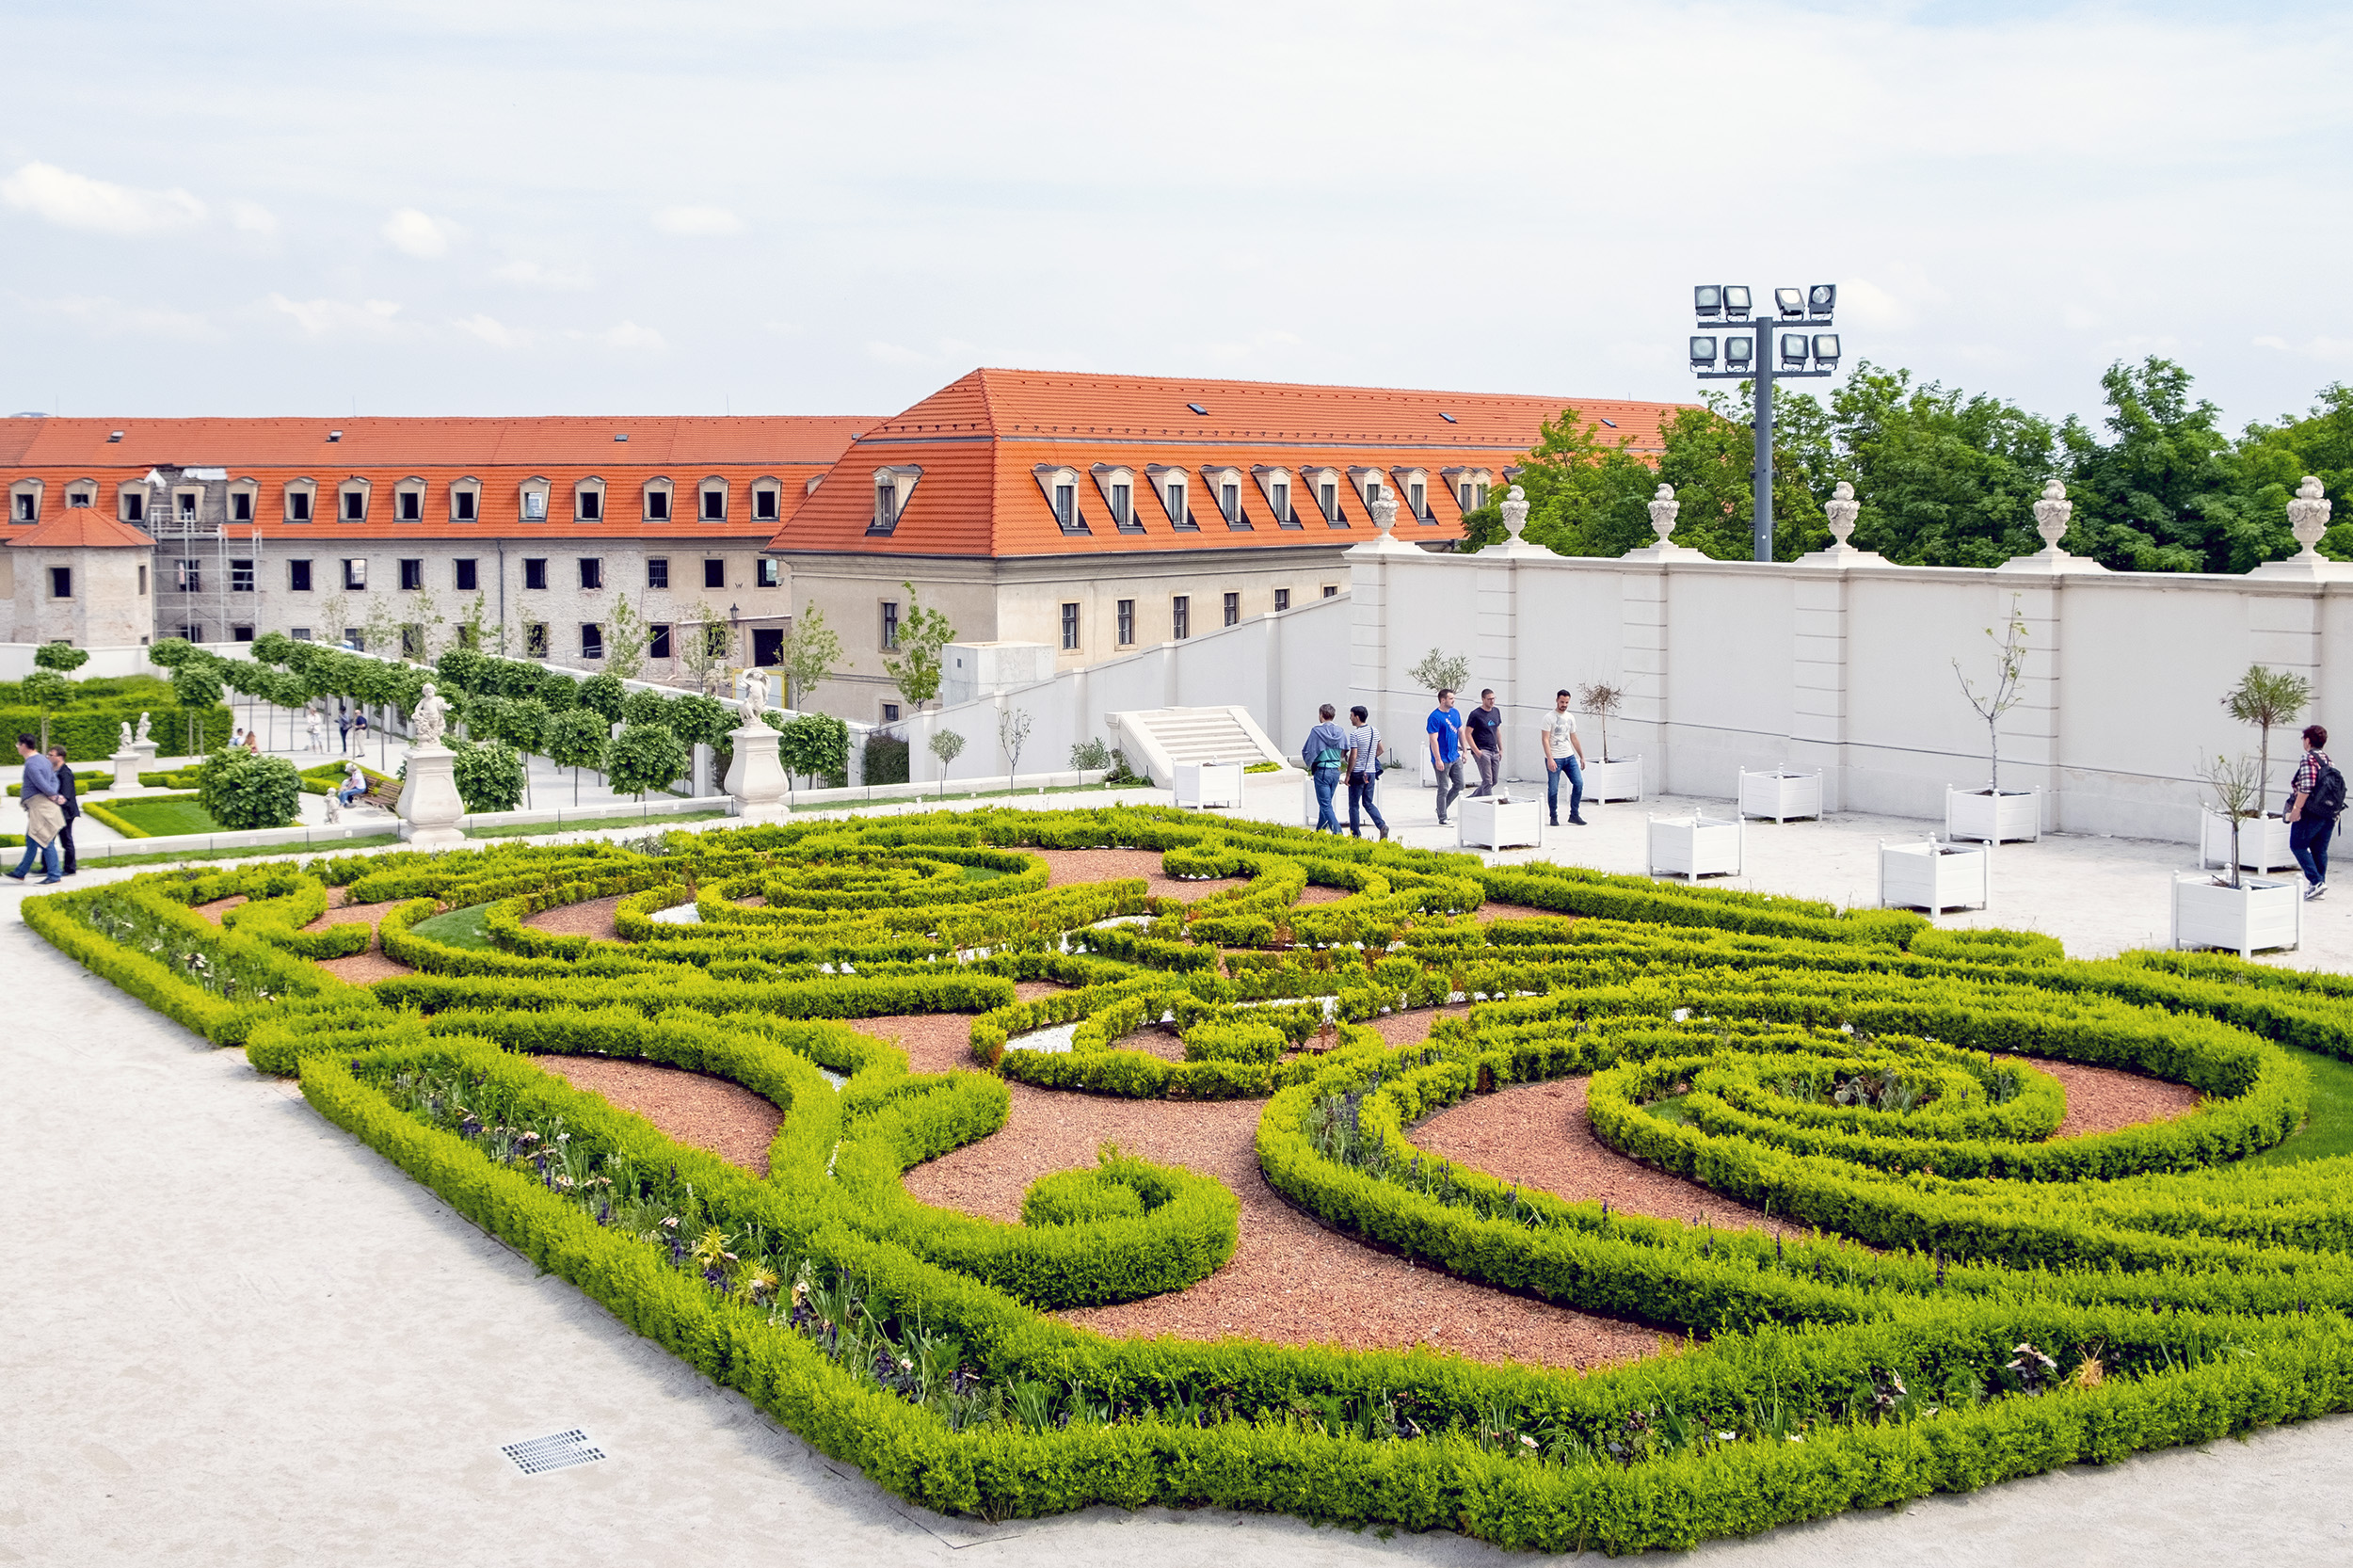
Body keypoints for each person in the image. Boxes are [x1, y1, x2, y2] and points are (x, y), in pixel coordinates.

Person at [2285, 723, 2339, 900]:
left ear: (2308, 740)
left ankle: (2316, 882)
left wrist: (2296, 809)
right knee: (2319, 850)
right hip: (2329, 813)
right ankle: (2319, 886)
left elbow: (2306, 788)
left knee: (2298, 845)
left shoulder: (2308, 758)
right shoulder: (2328, 760)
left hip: (2311, 812)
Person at [8, 734, 66, 884]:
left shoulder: (32, 764)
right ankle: (20, 872)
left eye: (18, 745)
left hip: (39, 805)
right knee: (32, 839)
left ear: (24, 746)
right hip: (42, 804)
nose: (17, 748)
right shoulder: (42, 759)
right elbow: (53, 780)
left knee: (44, 839)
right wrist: (54, 794)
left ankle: (54, 875)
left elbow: (40, 783)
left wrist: (53, 795)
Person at [1540, 688, 1589, 827]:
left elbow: (1574, 738)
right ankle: (1553, 816)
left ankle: (1574, 814)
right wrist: (1550, 758)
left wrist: (1582, 756)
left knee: (1579, 783)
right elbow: (1545, 739)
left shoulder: (1570, 717)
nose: (1564, 705)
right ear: (1557, 700)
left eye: (1567, 702)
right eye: (1562, 702)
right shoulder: (1548, 718)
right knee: (1553, 789)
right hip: (1555, 757)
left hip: (1569, 756)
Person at [1301, 703, 1350, 833]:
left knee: (1325, 804)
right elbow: (1345, 750)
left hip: (1322, 770)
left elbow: (1309, 750)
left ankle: (1337, 832)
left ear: (1321, 715)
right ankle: (1320, 831)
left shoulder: (1316, 731)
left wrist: (1310, 762)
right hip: (1336, 770)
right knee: (1326, 803)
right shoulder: (1340, 731)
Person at [1343, 704, 1387, 840]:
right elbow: (1380, 750)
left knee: (1354, 805)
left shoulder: (1355, 734)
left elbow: (1353, 755)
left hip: (1358, 773)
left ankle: (1355, 835)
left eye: (1351, 715)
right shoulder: (1375, 731)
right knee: (1368, 802)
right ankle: (1381, 825)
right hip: (1371, 772)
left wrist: (1348, 773)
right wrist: (1369, 758)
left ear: (1357, 717)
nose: (1350, 718)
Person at [1426, 688, 1465, 825]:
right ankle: (1442, 817)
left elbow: (1460, 732)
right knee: (1443, 787)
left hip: (1454, 756)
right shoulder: (1435, 717)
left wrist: (1464, 750)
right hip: (1442, 758)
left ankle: (1441, 808)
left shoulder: (1455, 713)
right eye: (1451, 698)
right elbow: (1433, 740)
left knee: (1460, 785)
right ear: (1443, 700)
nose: (1453, 701)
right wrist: (1437, 759)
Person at [46, 744, 79, 875]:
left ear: (60, 757)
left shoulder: (65, 774)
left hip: (65, 813)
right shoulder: (54, 772)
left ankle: (70, 868)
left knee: (66, 840)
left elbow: (65, 796)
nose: (48, 757)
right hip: (55, 811)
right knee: (47, 839)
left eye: (51, 755)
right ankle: (47, 867)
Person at [1465, 689, 1504, 798]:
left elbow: (1497, 731)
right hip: (1482, 750)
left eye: (1493, 698)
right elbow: (1467, 733)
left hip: (1494, 750)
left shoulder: (1496, 711)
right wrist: (1476, 751)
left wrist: (1500, 748)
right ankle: (1488, 805)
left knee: (1494, 780)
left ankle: (1472, 798)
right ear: (1483, 699)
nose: (1492, 701)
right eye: (1489, 699)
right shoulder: (1475, 714)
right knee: (1487, 781)